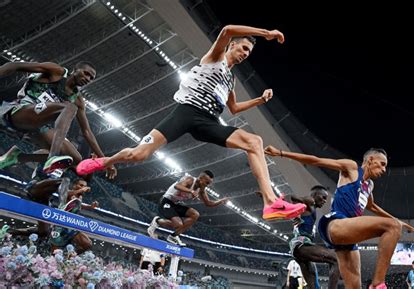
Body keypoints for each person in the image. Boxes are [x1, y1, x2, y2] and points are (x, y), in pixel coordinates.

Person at [76, 24, 305, 220]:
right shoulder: (214, 58)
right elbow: (226, 29)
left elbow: (233, 109)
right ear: (232, 45)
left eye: (249, 52)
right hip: (186, 113)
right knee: (139, 155)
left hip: (208, 121)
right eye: (244, 47)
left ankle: (270, 202)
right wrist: (266, 33)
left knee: (254, 141)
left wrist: (260, 100)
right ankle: (105, 161)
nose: (246, 53)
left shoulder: (230, 79)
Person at [264, 146, 414, 289]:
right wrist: (281, 153)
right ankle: (378, 284)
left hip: (348, 236)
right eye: (382, 164)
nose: (384, 169)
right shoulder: (352, 168)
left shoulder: (369, 185)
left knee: (355, 286)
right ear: (370, 160)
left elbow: (372, 206)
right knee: (392, 227)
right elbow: (316, 160)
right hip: (335, 222)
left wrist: (398, 220)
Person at [0, 60, 116, 178]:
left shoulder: (78, 100)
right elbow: (15, 65)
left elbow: (86, 132)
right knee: (69, 107)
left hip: (38, 127)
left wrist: (106, 160)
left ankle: (18, 157)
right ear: (75, 70)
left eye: (91, 78)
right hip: (20, 112)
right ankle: (52, 157)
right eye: (86, 73)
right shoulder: (56, 72)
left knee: (74, 158)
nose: (88, 78)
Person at [147, 170, 227, 246]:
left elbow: (209, 203)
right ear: (201, 179)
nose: (207, 185)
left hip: (175, 204)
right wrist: (191, 191)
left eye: (209, 183)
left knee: (195, 214)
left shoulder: (202, 190)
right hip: (166, 201)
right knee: (178, 224)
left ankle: (173, 236)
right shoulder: (190, 180)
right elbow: (177, 186)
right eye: (207, 182)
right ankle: (157, 221)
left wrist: (220, 201)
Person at [289, 185, 340, 289]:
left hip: (299, 249)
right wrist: (297, 209)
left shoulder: (309, 208)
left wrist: (296, 214)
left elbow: (295, 203)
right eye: (323, 197)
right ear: (315, 195)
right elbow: (293, 197)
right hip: (302, 245)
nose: (325, 201)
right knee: (336, 259)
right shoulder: (311, 201)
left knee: (313, 286)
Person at [49, 178, 99, 254]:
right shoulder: (68, 192)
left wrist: (90, 206)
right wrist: (82, 190)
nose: (83, 187)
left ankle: (69, 256)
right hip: (60, 225)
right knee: (54, 252)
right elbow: (67, 195)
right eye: (81, 185)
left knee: (88, 244)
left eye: (85, 186)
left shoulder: (80, 197)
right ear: (74, 185)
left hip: (72, 225)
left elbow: (78, 204)